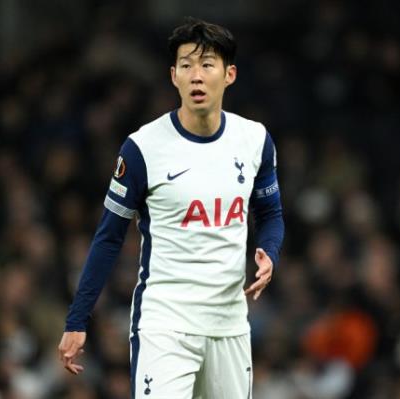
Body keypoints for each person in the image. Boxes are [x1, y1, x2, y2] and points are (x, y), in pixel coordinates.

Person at [58, 17, 284, 398]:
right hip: (165, 325)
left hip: (229, 325)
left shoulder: (255, 140)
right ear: (173, 76)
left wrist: (270, 253)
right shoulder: (143, 148)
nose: (196, 75)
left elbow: (271, 214)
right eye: (186, 65)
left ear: (229, 75)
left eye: (207, 64)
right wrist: (78, 319)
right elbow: (109, 237)